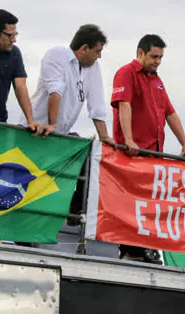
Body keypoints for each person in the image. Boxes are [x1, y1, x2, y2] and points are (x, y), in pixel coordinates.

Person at [111, 34, 185, 263]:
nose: (157, 61)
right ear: (140, 52)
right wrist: (128, 139)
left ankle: (145, 248)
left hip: (152, 155)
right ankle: (129, 250)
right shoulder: (126, 73)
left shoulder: (156, 80)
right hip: (132, 153)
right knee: (130, 202)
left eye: (160, 57)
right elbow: (123, 104)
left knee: (149, 205)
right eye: (153, 56)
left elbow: (170, 113)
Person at [23, 24, 115, 224]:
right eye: (97, 51)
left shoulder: (93, 68)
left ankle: (75, 210)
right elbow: (55, 91)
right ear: (84, 49)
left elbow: (97, 104)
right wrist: (52, 124)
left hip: (60, 133)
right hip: (35, 130)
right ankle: (23, 225)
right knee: (29, 181)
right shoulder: (57, 55)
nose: (99, 56)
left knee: (88, 156)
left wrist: (105, 137)